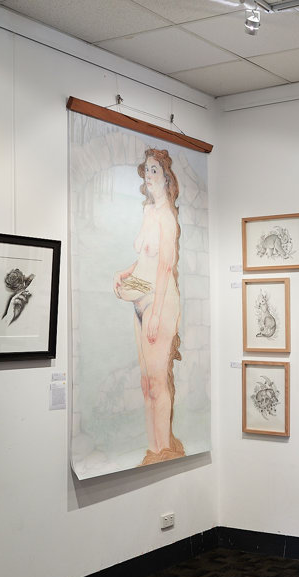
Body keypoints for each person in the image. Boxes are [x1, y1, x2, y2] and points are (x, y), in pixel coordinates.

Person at [114, 148, 185, 465]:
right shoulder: (148, 214)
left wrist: (155, 313)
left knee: (158, 380)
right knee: (146, 383)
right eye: (147, 169)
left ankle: (161, 450)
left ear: (166, 177)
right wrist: (126, 272)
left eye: (155, 170)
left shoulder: (168, 217)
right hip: (141, 294)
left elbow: (165, 267)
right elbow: (146, 259)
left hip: (161, 299)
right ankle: (153, 448)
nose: (149, 174)